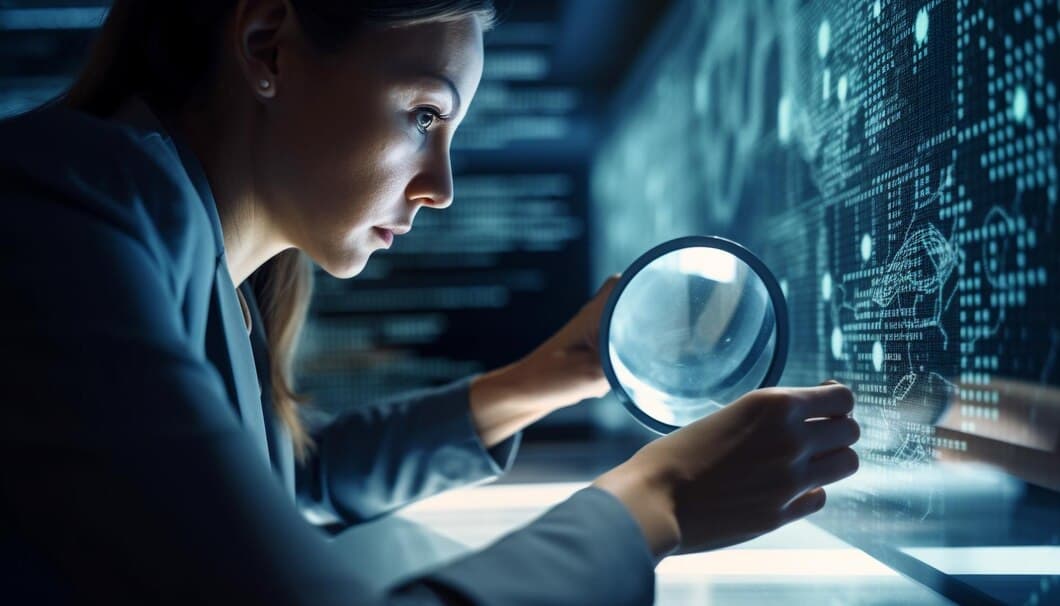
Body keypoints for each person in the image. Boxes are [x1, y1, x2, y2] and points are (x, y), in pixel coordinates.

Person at [0, 1, 861, 603]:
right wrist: (652, 504)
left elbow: (294, 477)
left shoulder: (181, 253)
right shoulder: (72, 217)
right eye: (423, 114)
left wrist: (552, 373)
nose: (441, 186)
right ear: (267, 46)